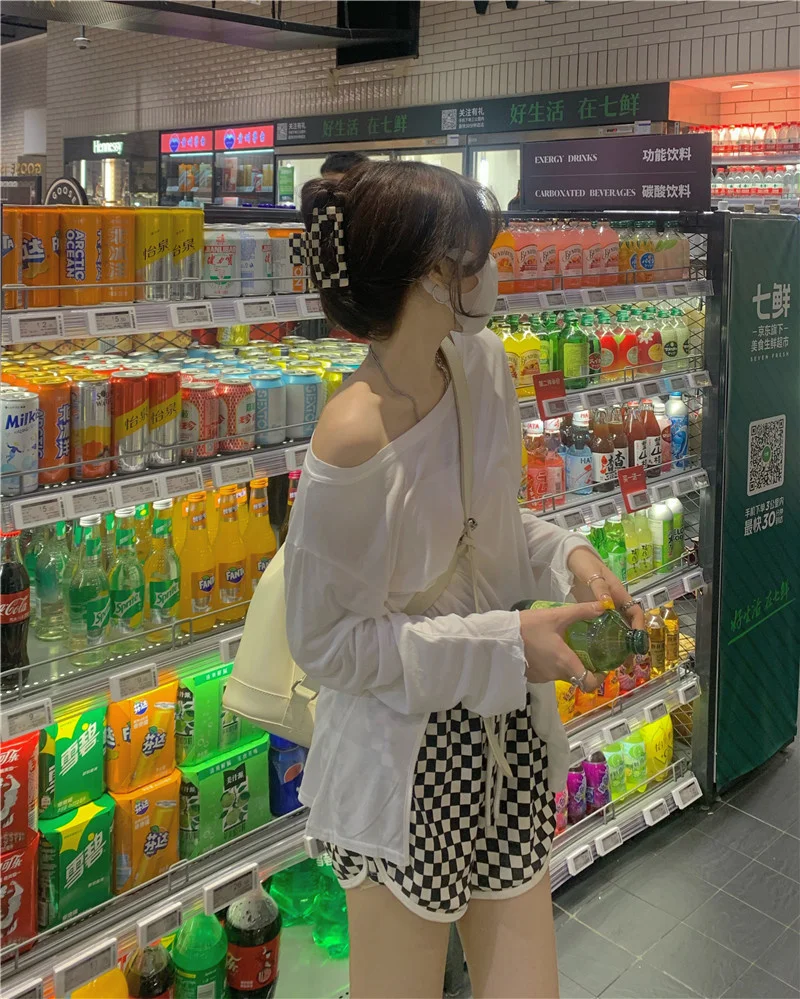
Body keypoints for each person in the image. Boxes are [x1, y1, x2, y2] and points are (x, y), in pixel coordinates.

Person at [284, 161, 644, 999]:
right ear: (426, 275)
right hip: (402, 761)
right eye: (471, 258)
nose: (488, 273)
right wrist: (504, 642)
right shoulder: (352, 436)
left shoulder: (480, 366)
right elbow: (327, 643)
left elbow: (486, 524)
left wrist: (567, 555)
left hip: (504, 734)